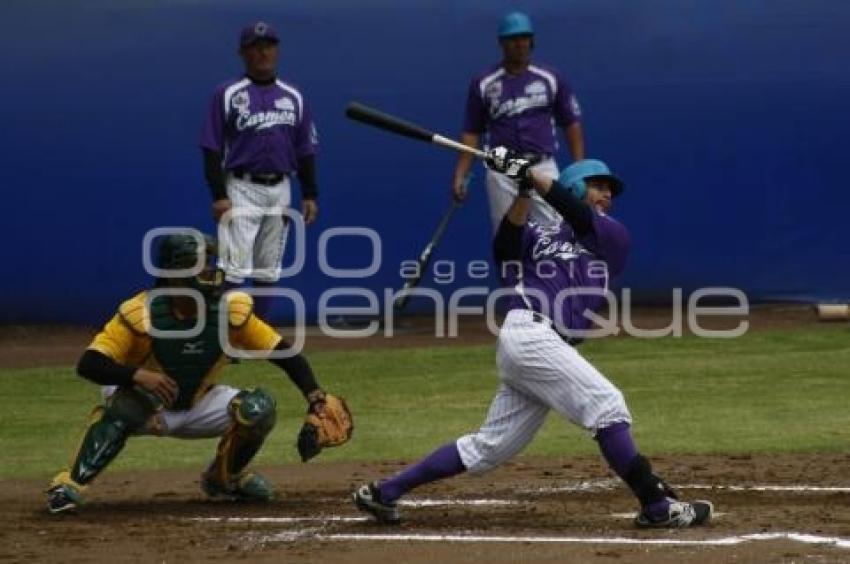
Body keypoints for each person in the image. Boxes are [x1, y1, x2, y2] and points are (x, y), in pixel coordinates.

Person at [353, 150, 714, 529]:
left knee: (488, 449)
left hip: (542, 345)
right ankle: (657, 507)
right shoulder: (539, 235)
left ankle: (383, 492)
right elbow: (505, 247)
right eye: (597, 186)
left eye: (610, 189)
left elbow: (573, 211)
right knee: (607, 407)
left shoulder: (611, 236)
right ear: (576, 186)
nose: (607, 194)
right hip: (529, 333)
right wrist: (524, 189)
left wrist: (532, 174)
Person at [45, 233, 334, 514]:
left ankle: (225, 479)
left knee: (259, 408)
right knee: (129, 405)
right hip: (146, 405)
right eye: (199, 264)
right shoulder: (141, 314)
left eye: (210, 263)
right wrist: (138, 376)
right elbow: (89, 364)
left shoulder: (230, 312)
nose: (209, 271)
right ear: (174, 274)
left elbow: (285, 354)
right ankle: (71, 484)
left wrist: (315, 395)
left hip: (197, 403)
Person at [200, 21, 319, 319]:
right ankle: (224, 335)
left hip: (281, 187)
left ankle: (256, 334)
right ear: (243, 53)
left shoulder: (294, 96)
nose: (264, 52)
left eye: (269, 46)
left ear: (277, 51)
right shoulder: (228, 93)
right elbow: (211, 146)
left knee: (269, 266)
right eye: (256, 47)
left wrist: (310, 193)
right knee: (233, 266)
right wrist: (218, 194)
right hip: (240, 186)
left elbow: (305, 148)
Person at [451, 11, 586, 231]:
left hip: (541, 165)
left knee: (554, 233)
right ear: (501, 43)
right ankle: (511, 267)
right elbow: (471, 131)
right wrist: (460, 173)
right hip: (503, 165)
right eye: (513, 39)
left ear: (532, 41)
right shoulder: (484, 82)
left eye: (524, 38)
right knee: (507, 237)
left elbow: (571, 123)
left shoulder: (550, 78)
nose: (520, 44)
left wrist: (580, 170)